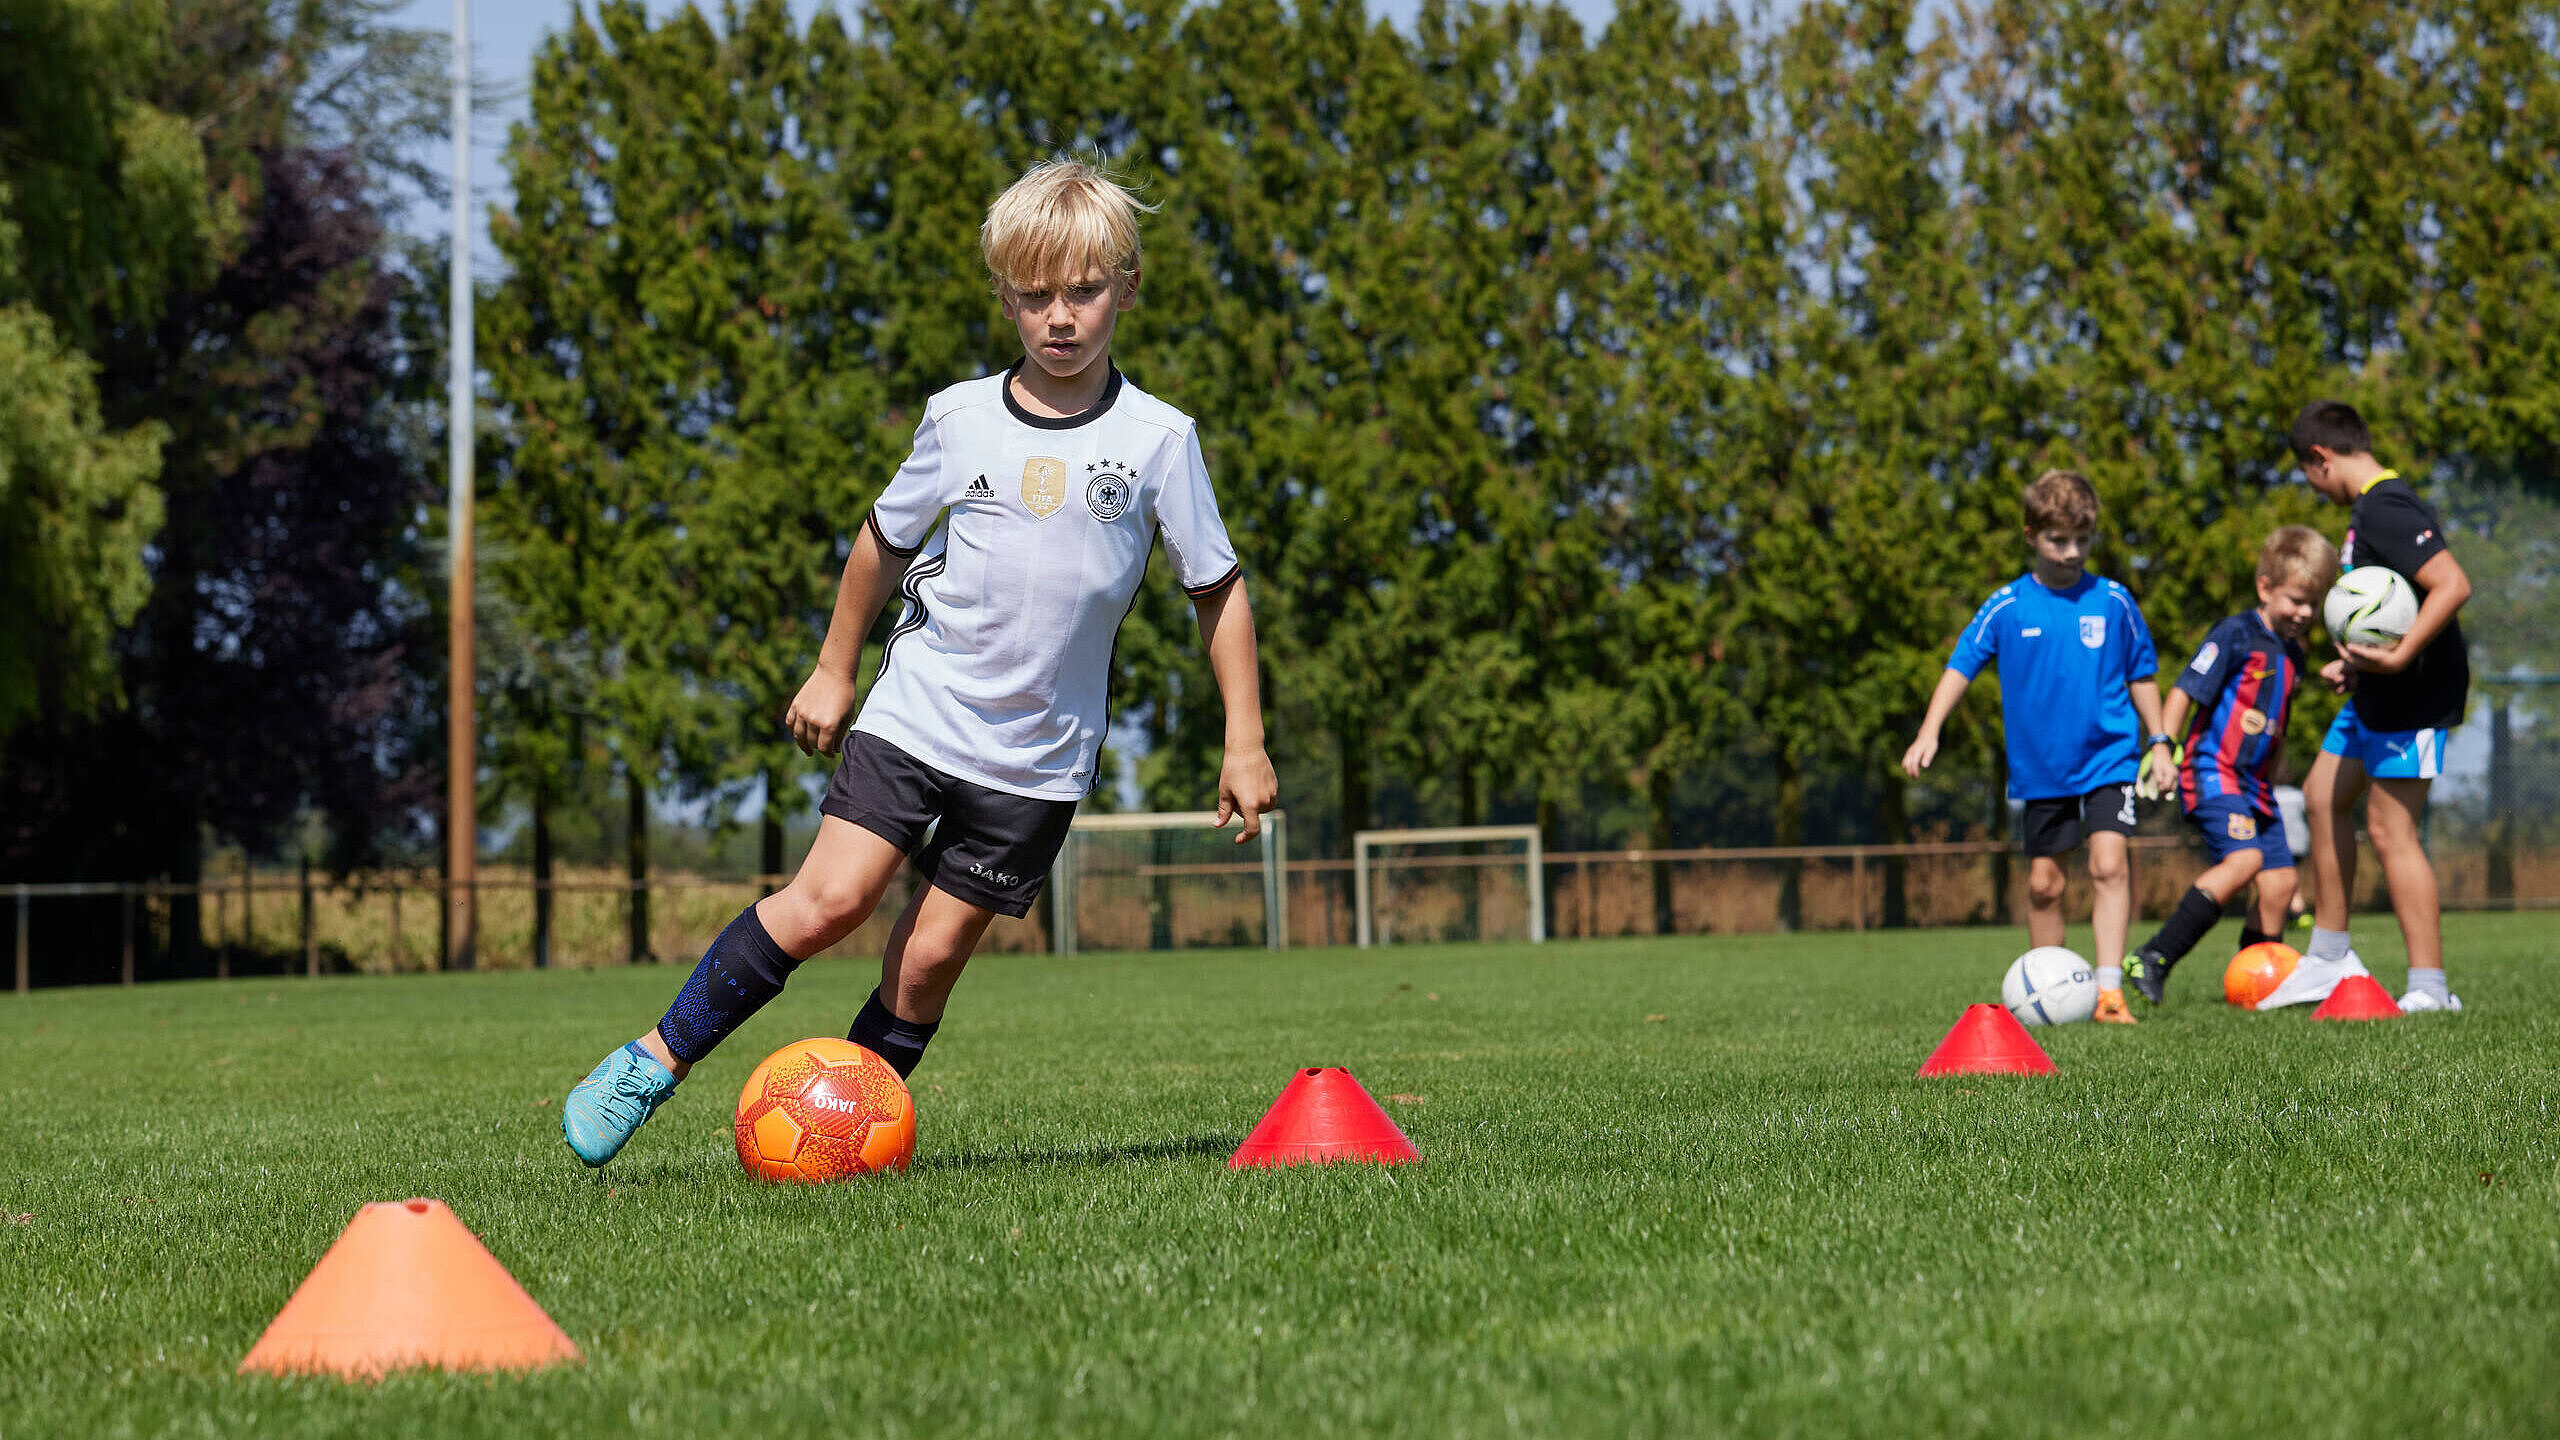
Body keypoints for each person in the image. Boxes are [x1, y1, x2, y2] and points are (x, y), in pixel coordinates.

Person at [561, 157, 1280, 1166]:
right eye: (1034, 297)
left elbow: (1218, 590)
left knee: (929, 958)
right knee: (830, 902)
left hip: (1038, 758)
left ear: (1128, 284)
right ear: (1005, 299)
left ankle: (838, 1137)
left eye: (1082, 291)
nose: (1060, 317)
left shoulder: (1161, 441)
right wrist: (832, 668)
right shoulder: (959, 417)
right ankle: (653, 1059)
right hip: (923, 711)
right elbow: (880, 544)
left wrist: (1242, 742)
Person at [1903, 470, 2169, 1025]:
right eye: (2058, 540)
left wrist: (2161, 741)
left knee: (2108, 864)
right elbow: (1961, 666)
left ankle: (2108, 993)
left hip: (2109, 757)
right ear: (2031, 535)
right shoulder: (2006, 606)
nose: (2072, 553)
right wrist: (1930, 730)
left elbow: (2142, 674)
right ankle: (2046, 998)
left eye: (2082, 541)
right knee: (2045, 884)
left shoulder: (2114, 601)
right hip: (2042, 768)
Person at [2271, 400, 2471, 1013]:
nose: (2312, 486)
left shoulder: (2386, 505)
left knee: (2391, 830)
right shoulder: (2369, 511)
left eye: (2308, 473)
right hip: (2374, 692)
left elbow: (2452, 584)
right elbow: (2394, 605)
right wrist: (2358, 663)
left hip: (2413, 699)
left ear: (2320, 458)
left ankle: (2431, 989)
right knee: (2321, 795)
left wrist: (2401, 654)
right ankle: (2329, 958)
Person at [2125, 526, 2338, 1004]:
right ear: (2265, 588)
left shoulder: (2294, 656)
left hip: (2256, 786)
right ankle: (2154, 955)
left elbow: (2276, 721)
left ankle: (2260, 985)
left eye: (2313, 602)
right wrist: (2162, 745)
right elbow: (2183, 690)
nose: (2304, 612)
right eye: (2295, 600)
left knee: (2282, 885)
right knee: (2245, 861)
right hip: (2211, 771)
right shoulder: (2234, 634)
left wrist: (2276, 775)